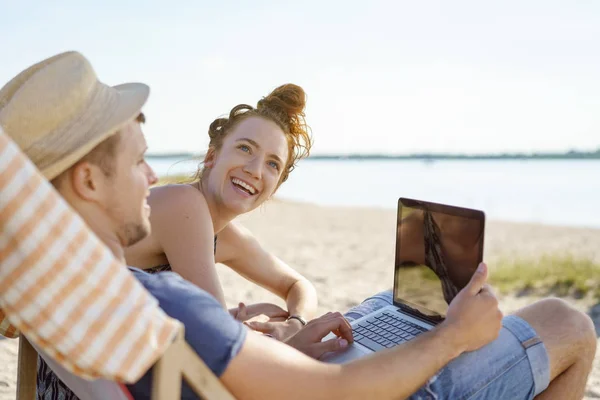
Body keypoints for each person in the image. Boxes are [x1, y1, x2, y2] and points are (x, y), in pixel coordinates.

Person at [1, 51, 595, 400]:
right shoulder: (165, 306)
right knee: (567, 322)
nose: (153, 176)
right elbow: (331, 394)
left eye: (273, 165)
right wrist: (451, 341)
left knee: (386, 305)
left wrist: (268, 334)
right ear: (87, 182)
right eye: (137, 161)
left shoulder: (70, 291)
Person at [124, 84, 318, 340]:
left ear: (274, 188)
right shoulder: (183, 204)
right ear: (212, 157)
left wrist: (296, 323)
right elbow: (220, 339)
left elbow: (299, 286)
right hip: (78, 375)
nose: (255, 170)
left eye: (272, 163)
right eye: (245, 148)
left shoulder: (227, 237)